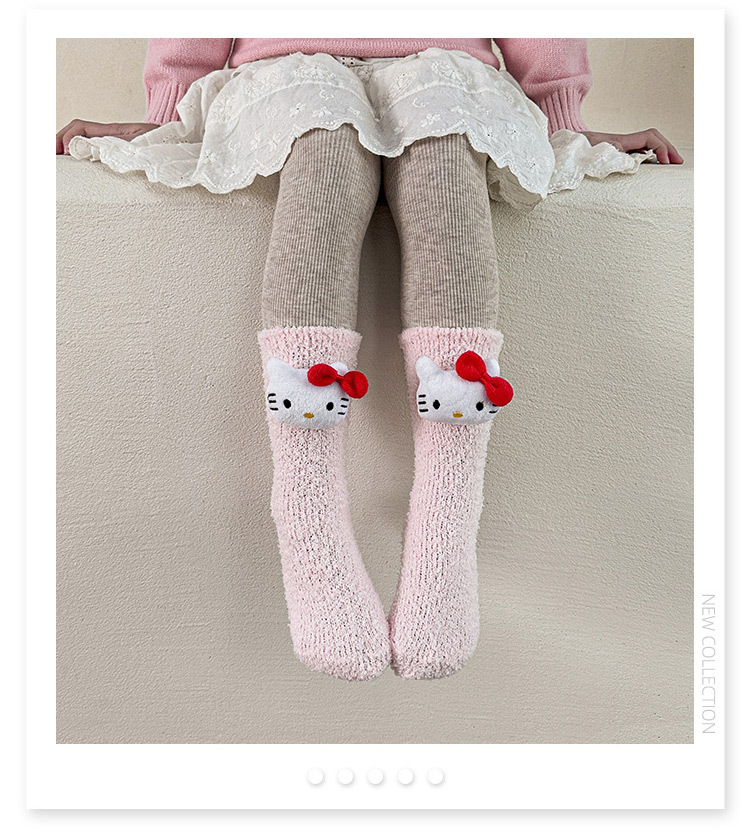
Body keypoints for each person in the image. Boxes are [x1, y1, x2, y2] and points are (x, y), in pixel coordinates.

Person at [56, 38, 684, 682]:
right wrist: (168, 112)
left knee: (447, 170)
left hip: (446, 65)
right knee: (323, 160)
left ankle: (448, 519)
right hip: (288, 66)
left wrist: (559, 114)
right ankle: (306, 513)